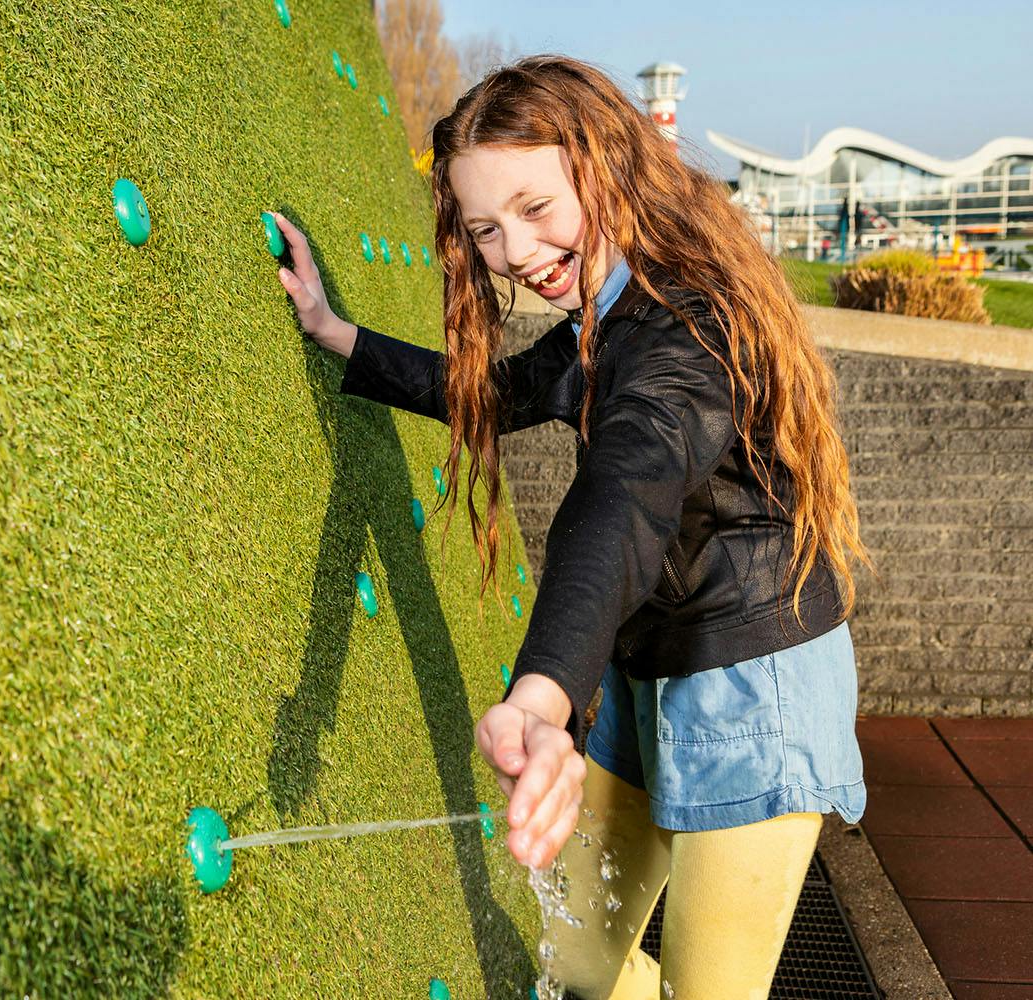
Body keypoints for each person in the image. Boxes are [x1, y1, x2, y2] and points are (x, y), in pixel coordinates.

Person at [271, 54, 875, 1000]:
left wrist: (541, 697)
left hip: (753, 684)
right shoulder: (605, 310)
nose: (513, 250)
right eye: (485, 229)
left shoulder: (686, 328)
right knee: (584, 959)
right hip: (645, 665)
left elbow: (623, 494)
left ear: (607, 167)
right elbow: (497, 392)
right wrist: (334, 331)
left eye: (536, 208)